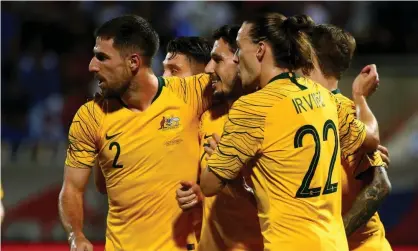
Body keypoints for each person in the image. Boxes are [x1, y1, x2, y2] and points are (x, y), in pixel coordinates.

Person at [200, 13, 378, 251]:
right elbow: (370, 139)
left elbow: (209, 185)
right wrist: (360, 98)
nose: (236, 58)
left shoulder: (253, 107)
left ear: (260, 49)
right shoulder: (325, 97)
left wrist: (226, 164)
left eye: (239, 49)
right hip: (334, 244)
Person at [58, 15, 213, 251]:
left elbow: (246, 78)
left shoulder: (190, 93)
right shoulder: (90, 117)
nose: (92, 66)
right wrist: (76, 235)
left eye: (102, 57)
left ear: (133, 62)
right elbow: (72, 189)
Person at [176, 25, 263, 251]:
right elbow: (207, 187)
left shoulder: (269, 119)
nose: (208, 68)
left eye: (217, 59)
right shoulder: (208, 118)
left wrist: (232, 181)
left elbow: (283, 203)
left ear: (242, 59)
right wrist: (198, 192)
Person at [308, 24, 392, 250]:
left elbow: (380, 185)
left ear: (309, 57)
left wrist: (335, 238)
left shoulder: (343, 109)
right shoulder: (323, 108)